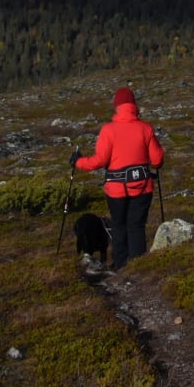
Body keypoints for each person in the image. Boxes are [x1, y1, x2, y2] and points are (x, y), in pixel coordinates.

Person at [71, 86, 165, 270]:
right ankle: (138, 268)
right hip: (143, 187)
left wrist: (78, 162)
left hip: (116, 190)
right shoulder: (145, 128)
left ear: (116, 106)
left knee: (119, 226)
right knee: (136, 226)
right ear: (134, 106)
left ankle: (121, 266)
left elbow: (99, 161)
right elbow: (157, 160)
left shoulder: (108, 130)